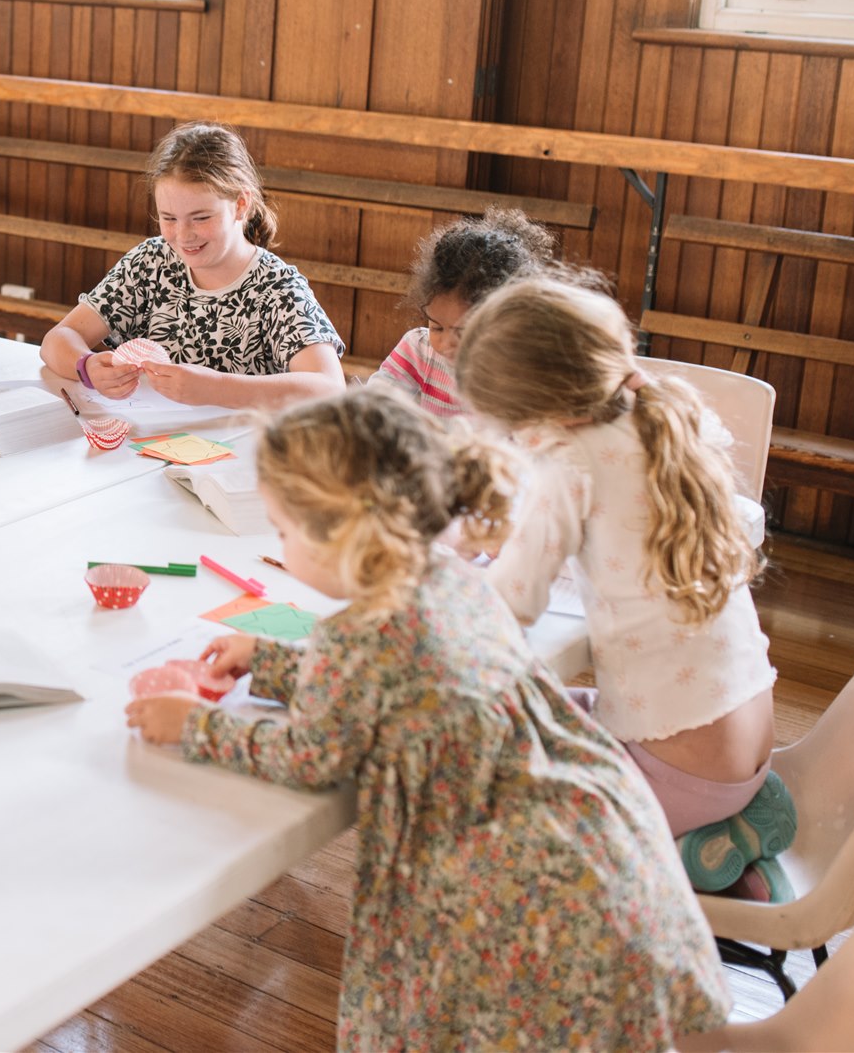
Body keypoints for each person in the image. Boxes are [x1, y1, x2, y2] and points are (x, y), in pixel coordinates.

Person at [124, 390, 727, 1051]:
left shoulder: (357, 635)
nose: (280, 544)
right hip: (589, 838)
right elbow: (402, 689)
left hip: (515, 885)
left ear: (345, 532)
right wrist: (269, 661)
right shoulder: (453, 578)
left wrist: (194, 725)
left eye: (285, 530)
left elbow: (315, 754)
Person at [455, 278, 792, 897]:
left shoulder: (570, 466)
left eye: (510, 424)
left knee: (492, 781)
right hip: (748, 747)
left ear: (547, 411)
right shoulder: (660, 419)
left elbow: (508, 606)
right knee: (561, 718)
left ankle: (674, 842)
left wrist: (441, 573)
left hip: (680, 772)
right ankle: (725, 832)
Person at [39, 123, 344, 411]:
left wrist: (217, 389)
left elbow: (329, 389)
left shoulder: (276, 287)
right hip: (149, 445)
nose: (183, 235)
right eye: (169, 218)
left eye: (201, 218)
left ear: (240, 205)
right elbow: (57, 339)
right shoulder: (151, 263)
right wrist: (87, 366)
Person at [369, 207, 587, 417]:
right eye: (437, 326)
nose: (445, 344)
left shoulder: (517, 376)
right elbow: (376, 402)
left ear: (504, 322)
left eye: (463, 332)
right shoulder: (418, 351)